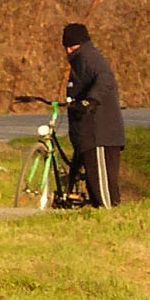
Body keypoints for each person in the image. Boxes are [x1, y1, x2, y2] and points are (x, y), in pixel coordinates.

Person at [62, 23, 125, 208]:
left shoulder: (89, 57)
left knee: (104, 192)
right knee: (94, 184)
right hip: (89, 133)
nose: (68, 51)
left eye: (71, 46)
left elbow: (105, 78)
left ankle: (113, 220)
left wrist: (90, 101)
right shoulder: (82, 58)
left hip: (100, 133)